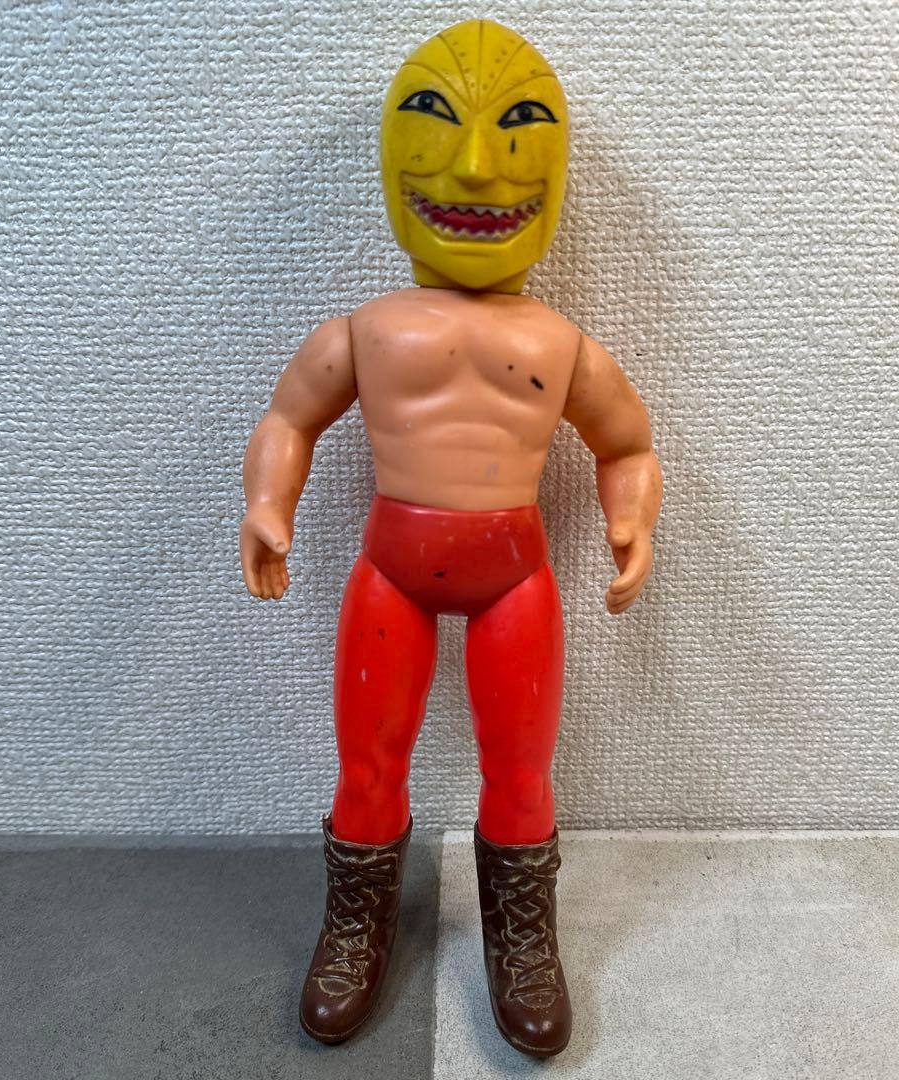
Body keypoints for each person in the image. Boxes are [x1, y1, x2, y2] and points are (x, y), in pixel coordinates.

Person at [239, 19, 662, 1059]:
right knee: (366, 762)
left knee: (521, 769)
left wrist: (632, 516)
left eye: (514, 135)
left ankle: (523, 935)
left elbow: (627, 441)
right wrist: (267, 503)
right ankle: (356, 922)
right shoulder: (369, 330)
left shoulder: (560, 344)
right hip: (392, 572)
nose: (477, 169)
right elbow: (290, 418)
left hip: (513, 578)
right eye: (441, 126)